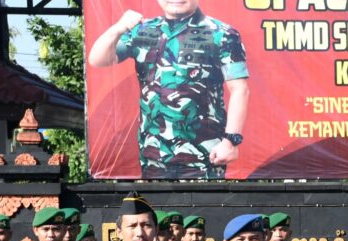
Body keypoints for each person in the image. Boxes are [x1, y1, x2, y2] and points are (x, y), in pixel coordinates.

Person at [87, 0, 248, 179]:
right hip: (154, 152)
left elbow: (240, 89)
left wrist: (231, 142)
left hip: (203, 155)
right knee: (159, 207)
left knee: (202, 206)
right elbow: (97, 59)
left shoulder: (221, 34)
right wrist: (118, 28)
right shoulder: (142, 31)